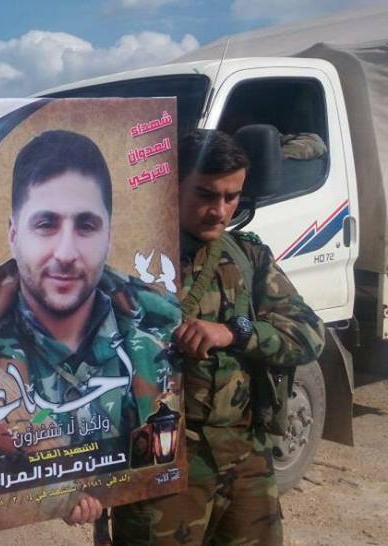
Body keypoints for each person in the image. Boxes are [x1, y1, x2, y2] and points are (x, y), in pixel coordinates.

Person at [110, 129, 325, 545]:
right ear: (173, 187)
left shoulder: (248, 257)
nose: (220, 210)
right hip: (161, 462)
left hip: (245, 456)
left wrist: (234, 331)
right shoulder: (129, 262)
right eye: (206, 195)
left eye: (232, 197)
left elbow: (309, 334)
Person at [0, 130, 181, 450]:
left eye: (86, 225)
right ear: (13, 235)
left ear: (109, 236)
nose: (66, 253)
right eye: (46, 224)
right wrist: (59, 500)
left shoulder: (159, 329)